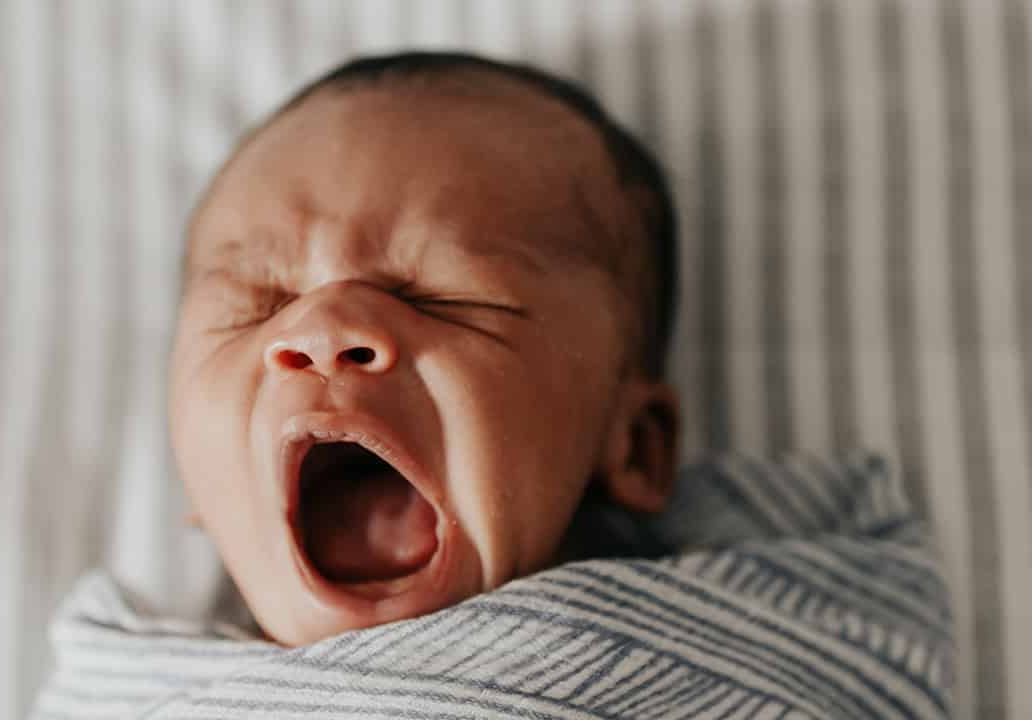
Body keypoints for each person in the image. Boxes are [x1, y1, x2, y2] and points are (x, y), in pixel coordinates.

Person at [170, 51, 681, 646]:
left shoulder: (741, 643)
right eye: (256, 304)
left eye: (446, 297)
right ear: (192, 475)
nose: (322, 330)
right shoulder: (120, 692)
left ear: (636, 444)